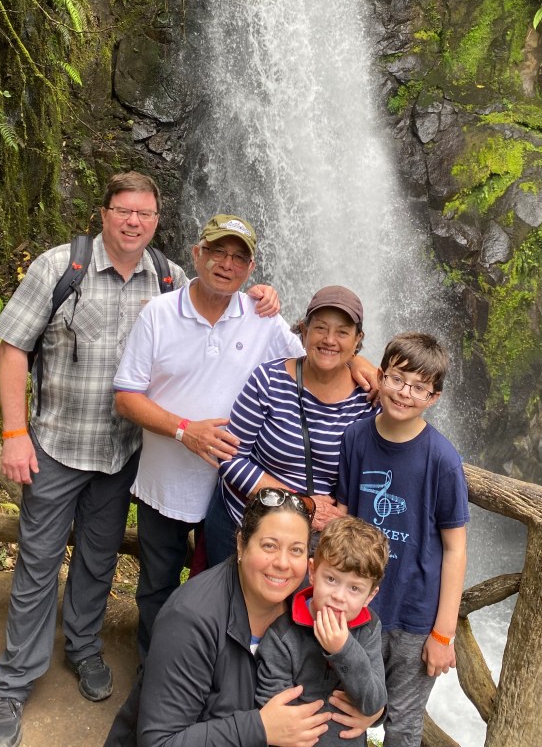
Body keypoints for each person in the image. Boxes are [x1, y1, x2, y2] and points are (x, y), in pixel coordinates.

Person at [0, 178, 278, 747]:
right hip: (58, 445)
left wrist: (270, 301)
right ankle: (14, 683)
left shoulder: (167, 276)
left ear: (157, 221)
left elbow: (234, 319)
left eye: (145, 213)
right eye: (124, 210)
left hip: (125, 454)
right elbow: (13, 346)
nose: (134, 222)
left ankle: (83, 649)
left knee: (98, 561)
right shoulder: (59, 267)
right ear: (104, 213)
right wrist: (14, 433)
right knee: (39, 563)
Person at [112, 213, 304, 659]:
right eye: (217, 251)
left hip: (234, 493)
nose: (226, 264)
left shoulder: (262, 317)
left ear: (250, 269)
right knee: (157, 586)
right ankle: (154, 672)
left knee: (228, 590)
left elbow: (313, 364)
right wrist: (185, 431)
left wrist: (360, 364)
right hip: (165, 486)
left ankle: (215, 677)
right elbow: (126, 397)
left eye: (238, 257)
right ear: (196, 254)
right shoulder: (159, 314)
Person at [123, 488, 380, 747]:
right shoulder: (189, 620)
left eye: (296, 550)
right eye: (269, 545)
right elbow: (159, 741)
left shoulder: (316, 596)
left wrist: (373, 711)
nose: (283, 563)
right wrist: (259, 728)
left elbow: (370, 662)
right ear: (241, 543)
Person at [336, 332, 469, 747]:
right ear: (380, 376)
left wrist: (443, 634)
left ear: (434, 397)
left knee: (405, 725)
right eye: (396, 379)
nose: (404, 393)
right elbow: (343, 519)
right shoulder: (355, 439)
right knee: (347, 707)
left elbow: (456, 548)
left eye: (418, 387)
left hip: (415, 617)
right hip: (358, 607)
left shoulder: (442, 460)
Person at [205, 285, 376, 566]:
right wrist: (301, 503)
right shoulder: (268, 380)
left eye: (342, 332)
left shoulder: (369, 400)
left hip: (313, 546)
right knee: (228, 596)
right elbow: (231, 458)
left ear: (358, 340)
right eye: (320, 328)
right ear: (304, 331)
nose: (329, 339)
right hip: (245, 528)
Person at [255, 515, 389, 746]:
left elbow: (374, 703)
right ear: (313, 572)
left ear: (370, 596)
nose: (339, 596)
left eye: (355, 588)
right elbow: (273, 714)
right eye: (331, 579)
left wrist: (344, 650)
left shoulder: (368, 627)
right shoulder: (283, 636)